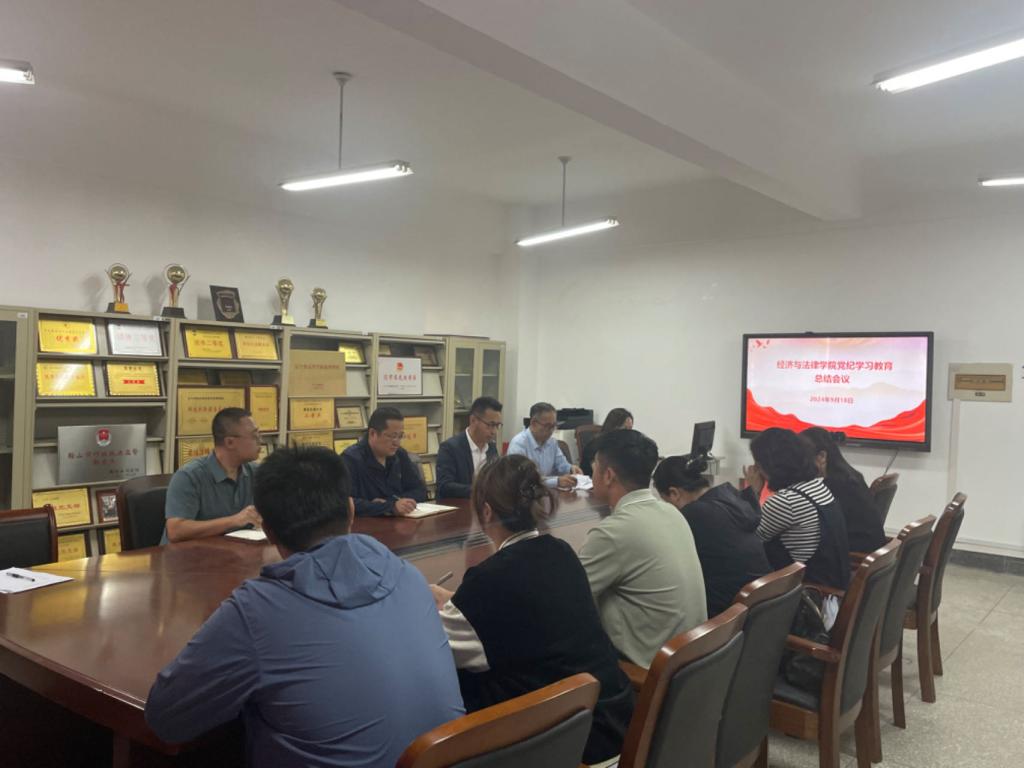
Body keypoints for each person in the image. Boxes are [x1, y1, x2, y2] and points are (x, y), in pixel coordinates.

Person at [145, 447, 465, 768]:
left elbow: (166, 718)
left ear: (267, 530)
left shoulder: (258, 611)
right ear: (351, 510)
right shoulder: (408, 576)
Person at [430, 455, 634, 764]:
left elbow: (436, 649)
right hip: (613, 720)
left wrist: (422, 607)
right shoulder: (561, 552)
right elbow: (522, 608)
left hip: (572, 744)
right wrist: (458, 600)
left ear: (486, 511)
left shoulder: (489, 581)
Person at [579, 429, 707, 667]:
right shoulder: (671, 512)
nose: (591, 473)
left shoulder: (614, 532)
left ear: (608, 475)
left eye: (594, 466)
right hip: (688, 664)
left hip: (646, 673)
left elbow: (568, 599)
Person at [653, 454, 771, 617]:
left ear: (674, 493)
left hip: (728, 614)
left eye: (666, 502)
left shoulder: (695, 514)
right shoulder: (729, 497)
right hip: (761, 603)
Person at [742, 427, 850, 590]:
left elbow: (748, 543)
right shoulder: (819, 487)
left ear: (767, 467)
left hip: (807, 594)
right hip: (833, 587)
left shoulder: (786, 501)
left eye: (757, 464)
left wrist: (752, 491)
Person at [162, 407, 263, 544]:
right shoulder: (189, 476)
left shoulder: (256, 473)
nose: (260, 440)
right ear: (230, 442)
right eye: (254, 436)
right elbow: (175, 531)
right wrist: (234, 520)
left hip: (234, 552)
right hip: (188, 555)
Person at [802, 427, 887, 553]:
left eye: (804, 459)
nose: (801, 465)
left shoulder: (835, 485)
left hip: (857, 553)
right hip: (872, 550)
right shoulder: (850, 475)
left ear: (822, 456)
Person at [342, 406, 427, 516]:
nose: (397, 443)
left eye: (400, 436)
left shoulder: (400, 454)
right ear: (373, 433)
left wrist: (392, 504)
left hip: (399, 521)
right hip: (365, 523)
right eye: (392, 436)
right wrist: (390, 507)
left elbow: (420, 491)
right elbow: (345, 503)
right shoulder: (351, 459)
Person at [435, 396, 502, 498]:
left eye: (497, 425)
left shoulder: (491, 448)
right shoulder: (450, 448)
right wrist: (479, 491)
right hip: (457, 505)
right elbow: (444, 486)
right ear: (473, 420)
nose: (494, 431)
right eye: (490, 425)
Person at [507, 402, 581, 489]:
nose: (551, 431)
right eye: (547, 426)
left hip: (548, 493)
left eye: (554, 426)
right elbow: (522, 480)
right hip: (525, 494)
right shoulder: (518, 444)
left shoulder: (552, 442)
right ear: (533, 423)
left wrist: (571, 468)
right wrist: (556, 482)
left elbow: (561, 465)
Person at [580, 407, 633, 476]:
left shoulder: (625, 446)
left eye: (630, 429)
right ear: (613, 427)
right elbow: (601, 475)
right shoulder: (595, 447)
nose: (629, 433)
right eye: (625, 429)